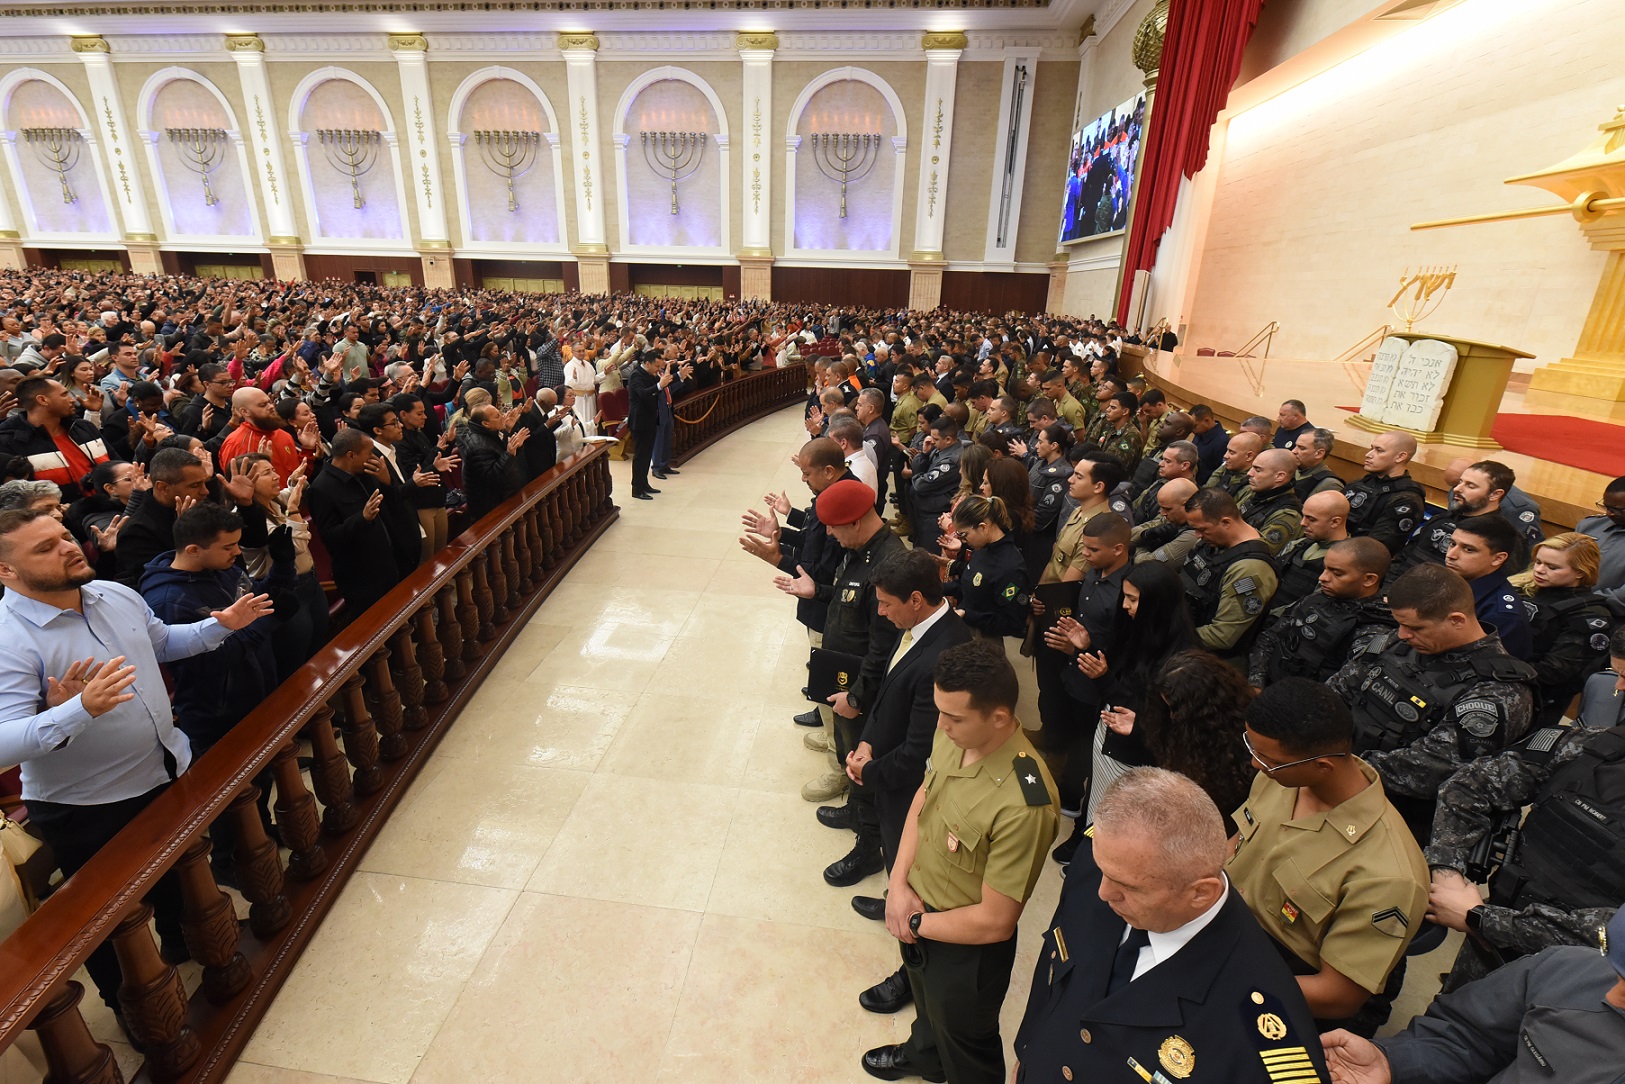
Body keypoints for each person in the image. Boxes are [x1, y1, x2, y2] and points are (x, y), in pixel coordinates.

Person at [0, 506, 272, 1015]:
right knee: (109, 923)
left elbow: (162, 642)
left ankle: (183, 942)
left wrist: (220, 626)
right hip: (87, 806)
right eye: (44, 548)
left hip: (163, 769)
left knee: (179, 876)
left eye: (63, 535)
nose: (66, 547)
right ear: (6, 571)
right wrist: (75, 711)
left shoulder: (115, 594)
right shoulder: (9, 640)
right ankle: (138, 1012)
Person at [1014, 769, 1331, 1084]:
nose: (1104, 893)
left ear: (1200, 893)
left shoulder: (1259, 1030)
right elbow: (1055, 968)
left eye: (1130, 888)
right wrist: (1025, 1056)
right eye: (1103, 872)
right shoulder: (1105, 861)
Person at [862, 641, 1057, 1084]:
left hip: (966, 950)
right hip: (915, 907)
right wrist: (898, 884)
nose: (941, 725)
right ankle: (925, 1057)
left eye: (954, 717)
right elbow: (924, 799)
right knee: (926, 1006)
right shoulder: (953, 732)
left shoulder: (1025, 801)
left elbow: (995, 921)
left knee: (966, 1041)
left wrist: (913, 924)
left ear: (999, 718)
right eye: (939, 712)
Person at [1423, 627, 1625, 990]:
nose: (1619, 690)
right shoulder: (1591, 748)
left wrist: (1483, 919)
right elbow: (1468, 786)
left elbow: (1613, 936)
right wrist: (1448, 873)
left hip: (1587, 996)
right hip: (1490, 953)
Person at [1229, 679, 1429, 1035]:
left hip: (1278, 988)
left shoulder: (1388, 876)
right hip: (1224, 932)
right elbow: (1239, 844)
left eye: (1268, 760)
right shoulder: (1283, 777)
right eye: (1253, 749)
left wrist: (1224, 983)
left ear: (1322, 766)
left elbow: (1337, 996)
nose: (1255, 765)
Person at [1328, 564, 1536, 844]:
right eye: (1400, 624)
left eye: (1414, 627)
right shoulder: (1400, 641)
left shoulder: (1498, 691)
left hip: (1392, 820)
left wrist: (1334, 767)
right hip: (1335, 778)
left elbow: (1431, 769)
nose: (1402, 634)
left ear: (1457, 620)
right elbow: (1338, 689)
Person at [1320, 907, 1625, 1084]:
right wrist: (1393, 1061)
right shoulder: (1570, 972)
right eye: (1617, 971)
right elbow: (1470, 1037)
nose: (1609, 994)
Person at [843, 548, 970, 965]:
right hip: (887, 763)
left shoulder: (944, 655)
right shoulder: (917, 627)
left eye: (885, 603)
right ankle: (892, 899)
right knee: (896, 859)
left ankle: (912, 964)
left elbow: (920, 752)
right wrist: (869, 742)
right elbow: (890, 693)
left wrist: (870, 772)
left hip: (910, 787)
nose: (880, 612)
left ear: (916, 599)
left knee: (911, 867)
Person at [774, 479, 905, 815]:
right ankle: (855, 795)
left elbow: (884, 645)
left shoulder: (888, 565)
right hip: (845, 667)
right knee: (847, 740)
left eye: (834, 528)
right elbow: (851, 600)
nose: (830, 535)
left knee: (863, 748)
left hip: (863, 681)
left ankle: (862, 816)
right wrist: (816, 591)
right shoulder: (859, 550)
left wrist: (857, 696)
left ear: (856, 522)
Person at [138, 501, 292, 755]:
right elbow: (206, 663)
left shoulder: (220, 568)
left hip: (256, 689)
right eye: (228, 547)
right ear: (194, 550)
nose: (237, 553)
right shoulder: (168, 601)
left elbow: (256, 602)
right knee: (245, 789)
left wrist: (283, 565)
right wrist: (265, 624)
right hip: (220, 714)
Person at [1250, 537, 1395, 687]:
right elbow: (1270, 637)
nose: (1322, 578)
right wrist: (1256, 683)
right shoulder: (1317, 599)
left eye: (1337, 573)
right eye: (1325, 568)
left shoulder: (1373, 629)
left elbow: (1344, 688)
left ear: (1369, 579)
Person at [1512, 532, 1613, 725]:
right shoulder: (1523, 587)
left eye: (1553, 567)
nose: (1540, 570)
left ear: (1580, 572)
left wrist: (1496, 668)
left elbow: (1555, 672)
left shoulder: (1590, 616)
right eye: (1538, 562)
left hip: (1536, 700)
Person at [305, 427, 401, 616]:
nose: (373, 456)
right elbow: (330, 537)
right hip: (361, 576)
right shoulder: (320, 489)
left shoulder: (367, 473)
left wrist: (386, 481)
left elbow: (391, 506)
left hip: (387, 562)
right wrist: (362, 518)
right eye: (368, 452)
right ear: (351, 455)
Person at [1389, 460, 1533, 583]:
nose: (1457, 489)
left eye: (1470, 486)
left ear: (1495, 494)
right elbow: (1402, 559)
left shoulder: (1506, 539)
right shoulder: (1441, 520)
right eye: (1460, 482)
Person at [1181, 487, 1278, 666]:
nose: (1198, 536)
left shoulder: (1250, 569)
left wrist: (1169, 636)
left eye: (1202, 529)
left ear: (1225, 522)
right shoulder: (1215, 542)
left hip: (1209, 661)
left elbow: (1223, 636)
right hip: (1188, 635)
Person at [0, 375, 113, 500]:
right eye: (64, 395)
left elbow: (116, 465)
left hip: (114, 506)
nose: (72, 400)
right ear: (43, 400)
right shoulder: (9, 442)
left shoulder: (84, 427)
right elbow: (17, 497)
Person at [114, 446, 212, 586]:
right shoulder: (136, 532)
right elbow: (164, 583)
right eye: (195, 485)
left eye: (205, 482)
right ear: (163, 488)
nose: (205, 491)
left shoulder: (199, 506)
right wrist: (186, 533)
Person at [941, 494, 1031, 643]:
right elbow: (970, 585)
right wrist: (937, 588)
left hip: (983, 641)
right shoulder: (982, 548)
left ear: (983, 528)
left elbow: (1013, 623)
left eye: (964, 535)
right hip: (964, 629)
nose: (962, 541)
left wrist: (968, 615)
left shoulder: (1010, 569)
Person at [1444, 514, 1534, 661]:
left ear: (1498, 558)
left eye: (1468, 549)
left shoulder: (1502, 615)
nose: (1451, 555)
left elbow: (1489, 671)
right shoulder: (1445, 581)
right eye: (1452, 544)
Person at [1342, 433, 1425, 555]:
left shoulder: (1406, 499)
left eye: (1379, 450)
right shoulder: (1362, 483)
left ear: (1400, 457)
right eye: (1371, 448)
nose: (1368, 455)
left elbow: (1377, 549)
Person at [458, 403, 530, 521]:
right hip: (492, 506)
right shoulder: (479, 447)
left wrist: (507, 431)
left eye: (500, 413)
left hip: (505, 497)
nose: (503, 416)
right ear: (486, 424)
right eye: (497, 416)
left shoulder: (490, 432)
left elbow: (501, 452)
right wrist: (509, 454)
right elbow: (492, 476)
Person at [1239, 447, 1304, 556]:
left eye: (1258, 470)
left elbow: (1258, 553)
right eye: (1251, 468)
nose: (1250, 473)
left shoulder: (1288, 515)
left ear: (1279, 476)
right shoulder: (1256, 493)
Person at [1575, 474, 1625, 608]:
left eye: (1618, 510)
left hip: (1611, 616)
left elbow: (1622, 598)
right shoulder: (1589, 526)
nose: (1609, 513)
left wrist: (1581, 602)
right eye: (1606, 507)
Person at [625, 352, 668, 500]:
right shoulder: (637, 375)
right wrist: (658, 386)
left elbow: (658, 388)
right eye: (656, 365)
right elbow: (643, 394)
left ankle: (644, 483)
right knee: (640, 456)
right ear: (647, 363)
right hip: (640, 421)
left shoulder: (651, 375)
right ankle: (637, 489)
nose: (658, 368)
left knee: (647, 455)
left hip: (649, 419)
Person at [1291, 431, 1344, 503]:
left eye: (1302, 448)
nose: (1293, 451)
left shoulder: (1330, 485)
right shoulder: (1292, 469)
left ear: (1319, 453)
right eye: (1295, 446)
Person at [1205, 431, 1263, 498]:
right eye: (1227, 450)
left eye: (1232, 452)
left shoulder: (1252, 485)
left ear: (1249, 456)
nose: (1225, 456)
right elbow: (1207, 489)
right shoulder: (1228, 466)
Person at [1188, 403, 1229, 481]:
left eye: (1195, 426)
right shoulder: (1200, 432)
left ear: (1207, 421)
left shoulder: (1222, 442)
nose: (1192, 430)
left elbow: (1219, 472)